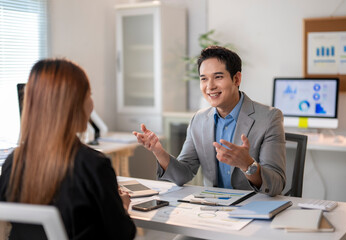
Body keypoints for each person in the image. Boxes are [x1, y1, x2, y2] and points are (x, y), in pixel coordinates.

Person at [0, 59, 136, 239]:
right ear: (73, 105)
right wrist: (122, 206)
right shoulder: (93, 165)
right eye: (89, 95)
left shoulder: (12, 164)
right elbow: (123, 234)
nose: (92, 104)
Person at [133, 46, 286, 197]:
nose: (210, 86)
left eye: (218, 77)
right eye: (204, 79)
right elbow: (183, 174)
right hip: (212, 208)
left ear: (236, 79)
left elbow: (276, 184)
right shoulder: (198, 120)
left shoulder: (269, 118)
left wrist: (248, 165)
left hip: (255, 209)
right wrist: (159, 152)